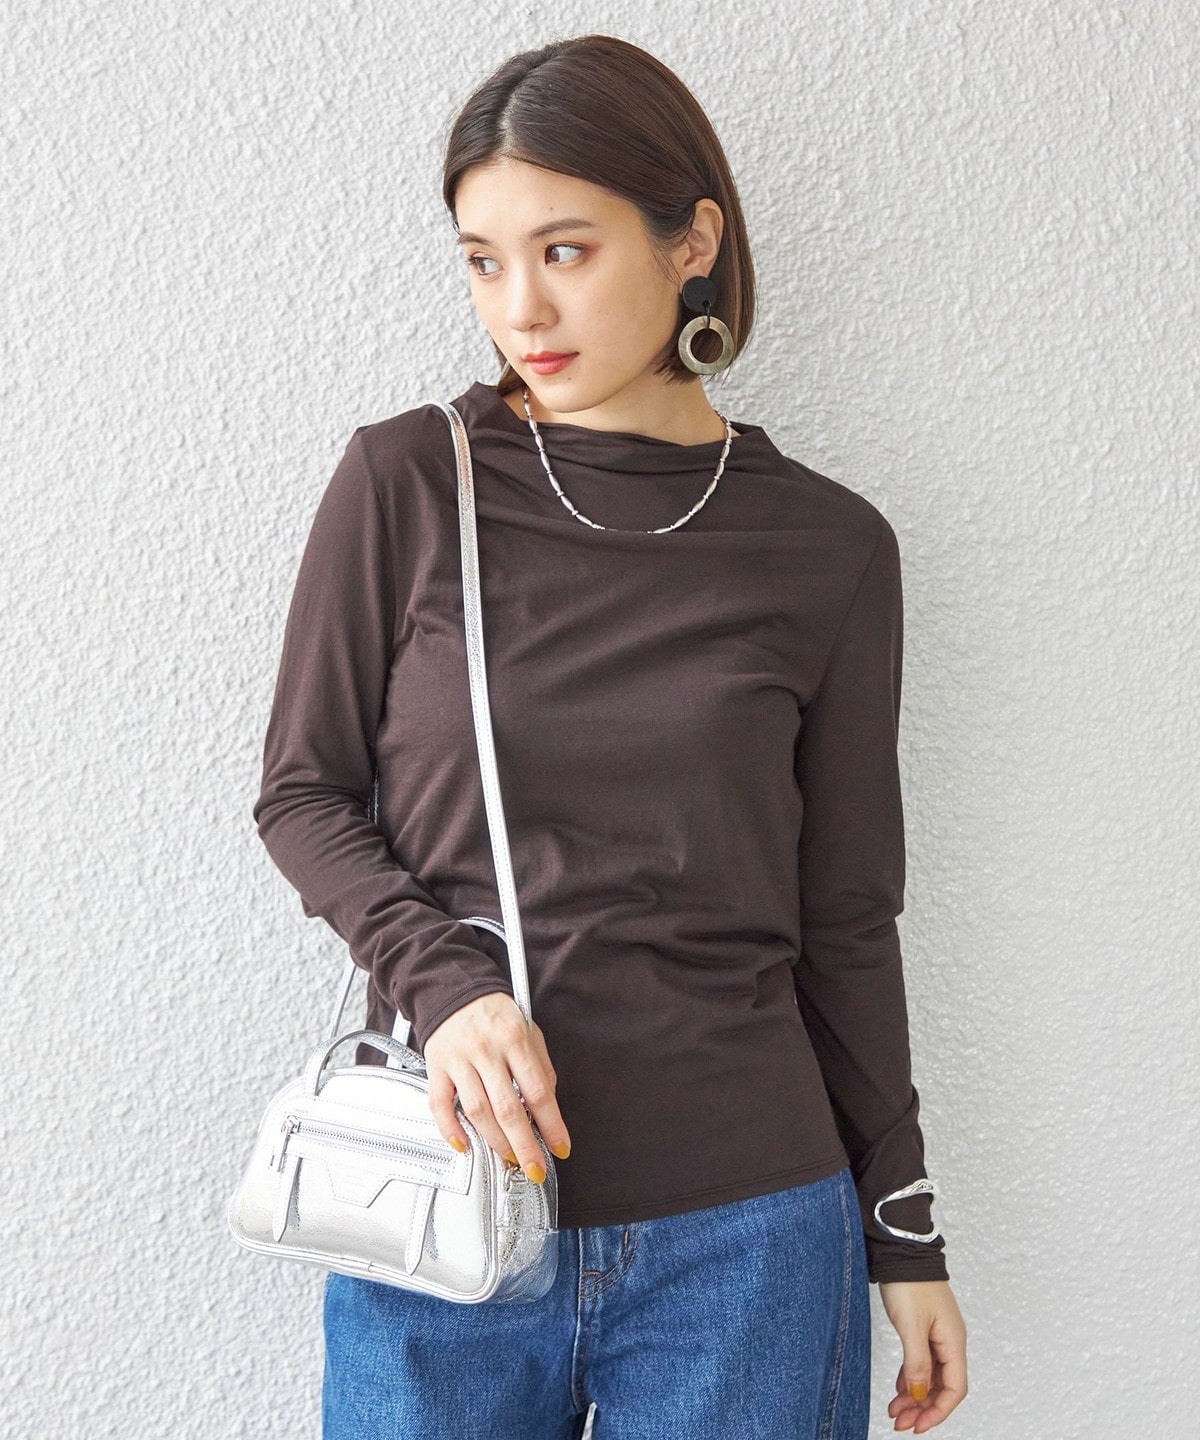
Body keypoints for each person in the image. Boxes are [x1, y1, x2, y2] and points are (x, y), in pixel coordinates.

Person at [252, 33, 968, 1440]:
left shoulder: (828, 548)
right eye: (483, 260)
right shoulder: (411, 483)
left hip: (749, 1235)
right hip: (440, 1210)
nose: (520, 307)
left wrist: (905, 1231)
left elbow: (846, 917)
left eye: (565, 251)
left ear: (692, 241)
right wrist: (445, 984)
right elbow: (302, 793)